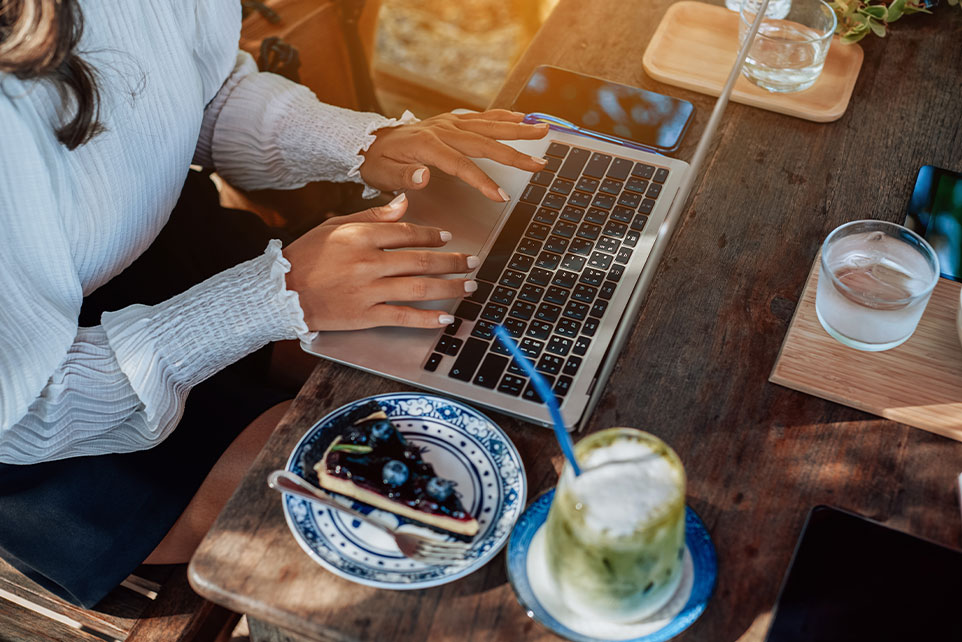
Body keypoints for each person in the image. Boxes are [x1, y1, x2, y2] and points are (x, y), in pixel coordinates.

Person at [0, 0, 548, 607]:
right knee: (425, 501)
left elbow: (202, 90)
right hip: (59, 422)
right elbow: (25, 417)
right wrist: (268, 300)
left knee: (476, 340)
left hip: (168, 255)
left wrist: (364, 143)